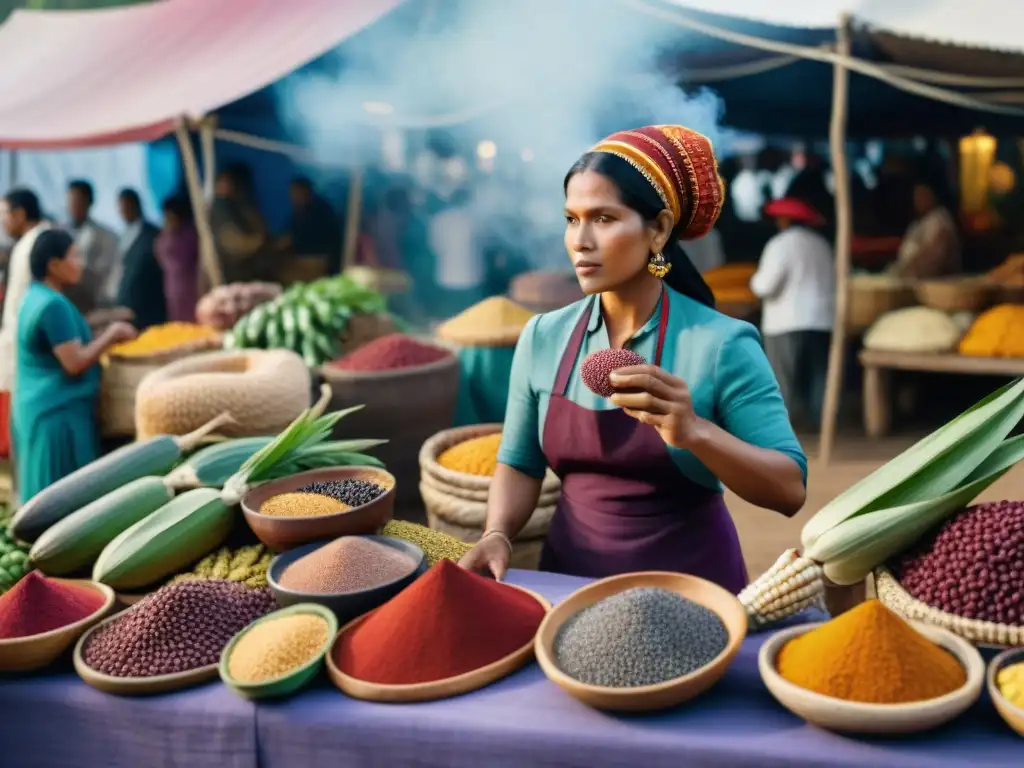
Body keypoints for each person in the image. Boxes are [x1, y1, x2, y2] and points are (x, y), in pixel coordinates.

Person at [458, 125, 807, 591]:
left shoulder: (722, 343)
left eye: (603, 219)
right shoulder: (543, 336)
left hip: (691, 592)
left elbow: (790, 489)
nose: (580, 240)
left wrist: (696, 432)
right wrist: (497, 532)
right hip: (568, 586)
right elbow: (520, 462)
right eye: (571, 218)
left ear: (659, 228)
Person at [13, 230, 136, 503]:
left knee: (43, 502)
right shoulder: (52, 306)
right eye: (75, 256)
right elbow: (74, 363)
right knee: (62, 505)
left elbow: (66, 341)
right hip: (57, 416)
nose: (80, 263)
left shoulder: (35, 296)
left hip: (38, 408)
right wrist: (113, 333)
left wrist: (104, 322)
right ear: (54, 265)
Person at [750, 198, 835, 430]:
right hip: (821, 320)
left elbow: (765, 286)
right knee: (819, 378)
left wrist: (754, 281)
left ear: (786, 221)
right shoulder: (822, 245)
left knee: (784, 379)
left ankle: (783, 428)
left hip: (786, 321)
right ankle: (821, 424)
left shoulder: (780, 244)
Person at [0, 189, 49, 467]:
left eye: (5, 214)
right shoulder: (25, 244)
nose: (4, 222)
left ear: (19, 214)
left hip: (29, 353)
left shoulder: (36, 244)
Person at [209, 163, 271, 284]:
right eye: (222, 182)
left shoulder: (241, 205)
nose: (226, 186)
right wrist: (257, 241)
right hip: (232, 270)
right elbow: (233, 243)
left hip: (248, 269)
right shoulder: (218, 209)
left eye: (229, 183)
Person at [113, 188, 166, 330]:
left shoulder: (152, 234)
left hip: (149, 304)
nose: (123, 211)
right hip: (128, 305)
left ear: (136, 205)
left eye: (126, 206)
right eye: (120, 207)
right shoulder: (123, 236)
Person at [889, 181, 961, 279]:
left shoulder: (941, 222)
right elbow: (904, 256)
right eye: (916, 195)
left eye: (922, 194)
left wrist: (904, 272)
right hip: (911, 281)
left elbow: (931, 261)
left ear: (932, 195)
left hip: (937, 285)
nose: (918, 199)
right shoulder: (916, 224)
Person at [66, 179, 118, 312]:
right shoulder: (60, 231)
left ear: (89, 202)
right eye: (70, 201)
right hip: (66, 300)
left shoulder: (105, 236)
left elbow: (106, 271)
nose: (73, 206)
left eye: (77, 201)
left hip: (93, 302)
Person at [283, 176, 342, 275]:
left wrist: (290, 240)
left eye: (295, 192)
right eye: (291, 192)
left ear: (305, 191)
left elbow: (315, 236)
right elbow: (289, 231)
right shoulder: (298, 210)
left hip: (320, 259)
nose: (292, 196)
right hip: (306, 257)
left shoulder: (320, 210)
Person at [155, 195, 200, 323]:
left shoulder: (190, 234)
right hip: (171, 286)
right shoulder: (164, 237)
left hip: (191, 284)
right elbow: (160, 257)